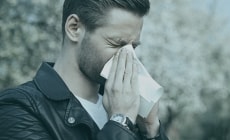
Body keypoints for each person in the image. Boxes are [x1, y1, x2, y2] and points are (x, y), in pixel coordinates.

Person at [0, 0, 169, 139]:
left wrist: (151, 130)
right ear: (74, 28)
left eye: (134, 47)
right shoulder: (18, 108)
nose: (129, 57)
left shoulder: (132, 115)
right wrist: (120, 122)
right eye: (117, 44)